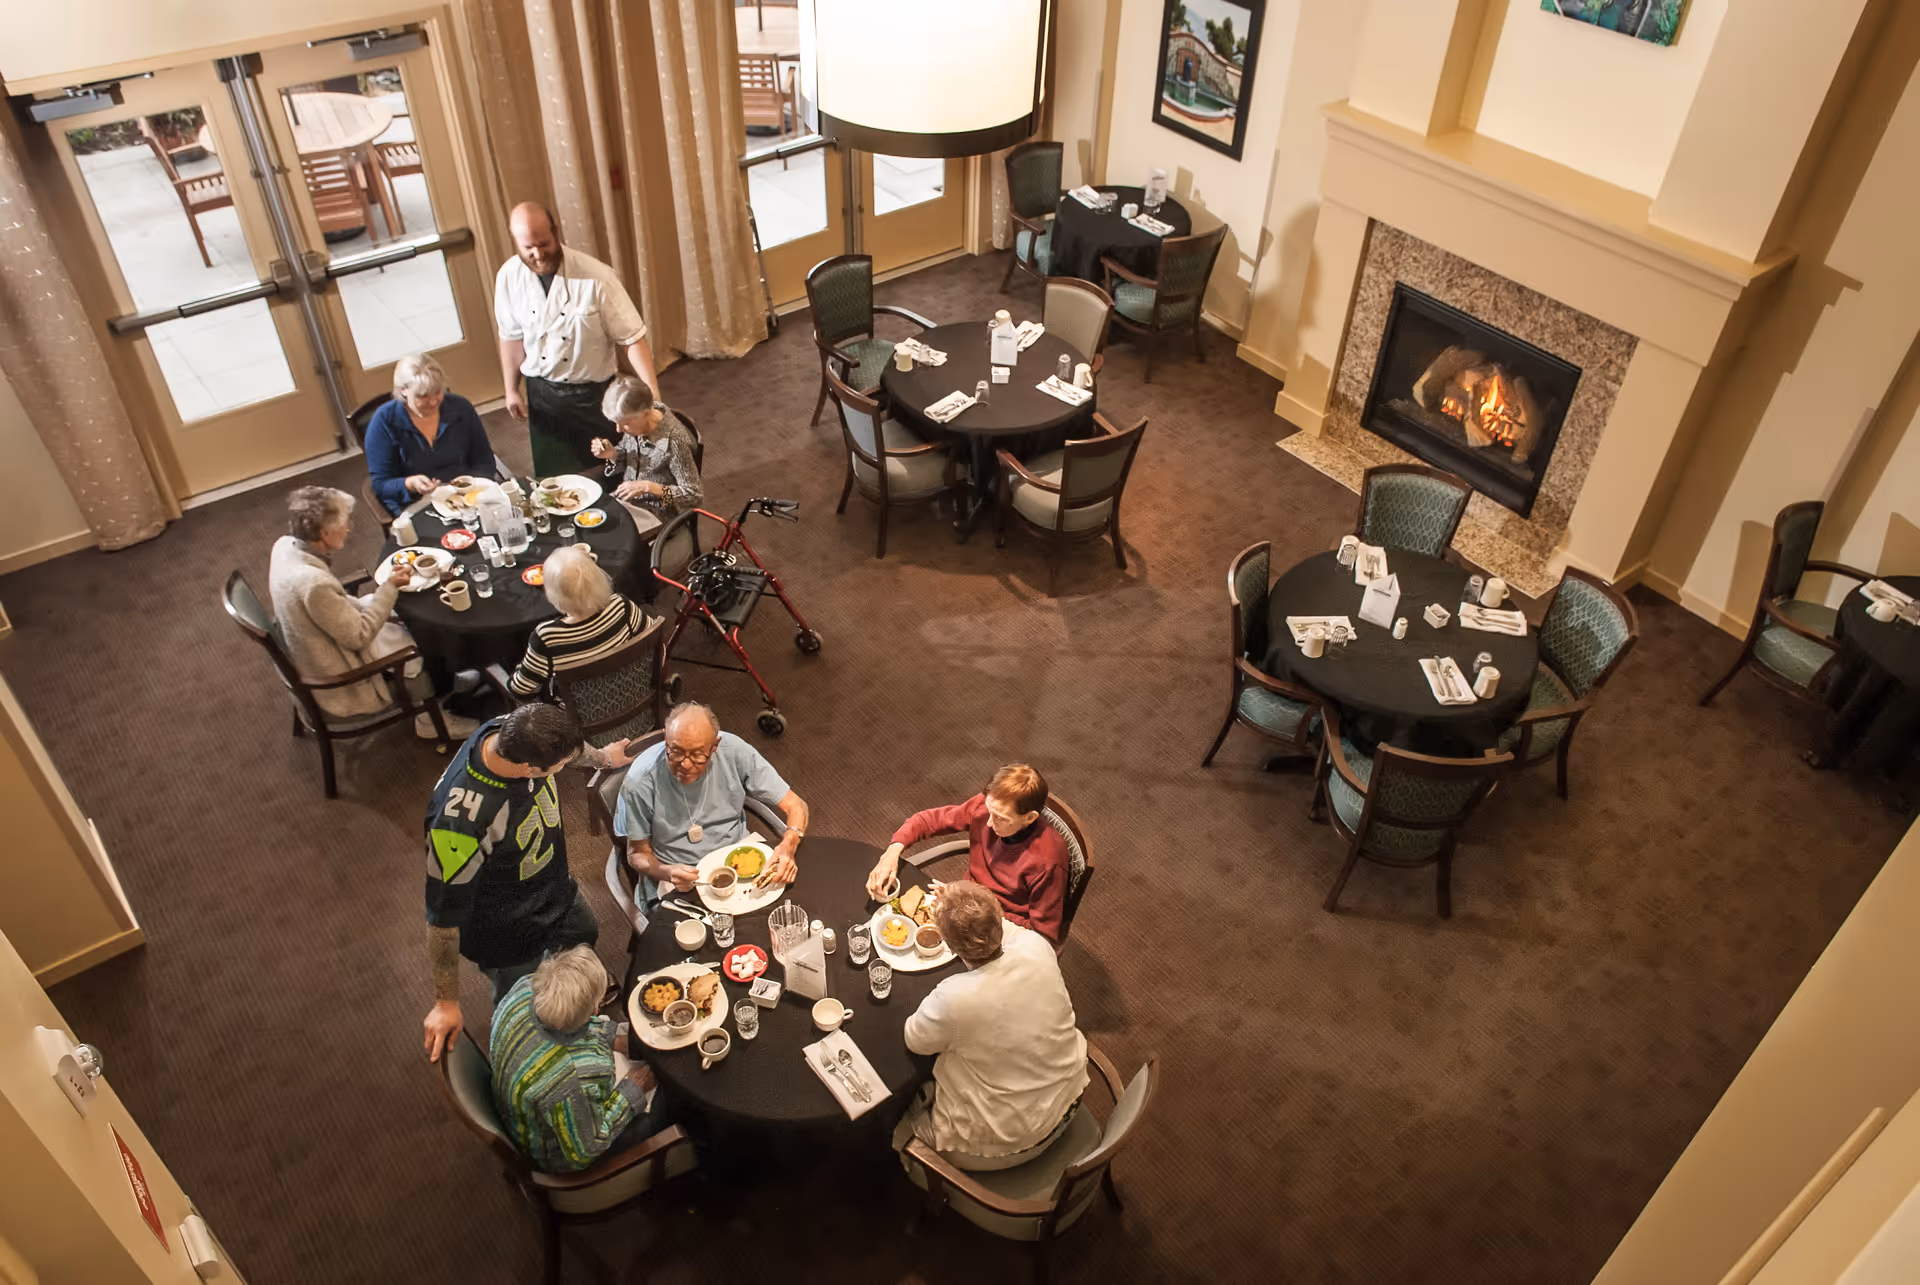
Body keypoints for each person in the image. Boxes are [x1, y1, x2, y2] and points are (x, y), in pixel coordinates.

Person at [422, 702, 641, 1061]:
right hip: (506, 932)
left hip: (556, 890)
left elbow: (568, 750)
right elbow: (442, 920)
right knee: (532, 1013)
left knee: (583, 939)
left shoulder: (513, 728)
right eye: (558, 767)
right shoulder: (459, 824)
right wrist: (445, 1001)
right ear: (528, 769)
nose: (565, 767)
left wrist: (603, 758)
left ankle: (586, 1014)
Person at [895, 883, 1088, 1168]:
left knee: (899, 1130)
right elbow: (1003, 928)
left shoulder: (954, 999)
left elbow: (915, 1038)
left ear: (948, 945)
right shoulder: (1037, 946)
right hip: (1071, 1097)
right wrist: (961, 903)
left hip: (1016, 1140)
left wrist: (953, 911)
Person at [268, 485, 478, 739]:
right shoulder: (314, 585)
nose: (349, 527)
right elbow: (359, 636)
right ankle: (429, 720)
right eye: (345, 522)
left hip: (315, 638)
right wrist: (389, 588)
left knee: (403, 618)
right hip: (336, 671)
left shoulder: (285, 546)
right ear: (324, 533)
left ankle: (445, 685)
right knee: (417, 641)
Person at [495, 202, 660, 477]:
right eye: (528, 248)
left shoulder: (596, 276)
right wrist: (511, 389)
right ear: (516, 242)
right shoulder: (508, 277)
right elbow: (511, 337)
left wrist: (652, 393)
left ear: (555, 231)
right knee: (556, 483)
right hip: (543, 396)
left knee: (610, 474)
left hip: (594, 396)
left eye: (544, 243)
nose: (537, 254)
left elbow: (632, 339)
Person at [490, 944, 665, 1174]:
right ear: (593, 1009)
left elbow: (564, 1021)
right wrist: (633, 1089)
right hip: (556, 1155)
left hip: (522, 1106)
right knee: (663, 1109)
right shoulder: (574, 1079)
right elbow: (587, 1149)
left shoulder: (524, 989)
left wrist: (611, 1038)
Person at [615, 702, 809, 900]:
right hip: (681, 875)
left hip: (736, 858)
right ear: (666, 740)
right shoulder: (639, 783)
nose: (686, 764)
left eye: (698, 755)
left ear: (715, 746)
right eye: (676, 752)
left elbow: (796, 805)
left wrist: (788, 845)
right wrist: (667, 872)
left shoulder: (734, 751)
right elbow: (636, 854)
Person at [865, 764, 1070, 944]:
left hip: (1001, 928)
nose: (988, 823)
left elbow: (1042, 935)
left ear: (1029, 817)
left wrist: (973, 906)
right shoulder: (985, 808)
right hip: (963, 900)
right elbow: (929, 821)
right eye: (989, 810)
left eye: (1000, 818)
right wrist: (891, 853)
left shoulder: (1048, 861)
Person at [507, 545, 661, 698]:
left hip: (581, 719)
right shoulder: (622, 606)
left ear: (553, 597)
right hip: (633, 698)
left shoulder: (546, 638)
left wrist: (522, 667)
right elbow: (650, 640)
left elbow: (521, 690)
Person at [363, 353, 498, 516]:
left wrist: (471, 494)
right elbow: (381, 485)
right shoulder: (384, 421)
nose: (434, 401)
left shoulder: (460, 408)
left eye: (437, 391)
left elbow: (484, 461)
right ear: (403, 390)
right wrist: (409, 483)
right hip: (417, 504)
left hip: (467, 497)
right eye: (423, 396)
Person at [589, 375, 703, 517]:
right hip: (629, 501)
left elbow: (693, 496)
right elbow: (630, 457)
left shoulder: (674, 442)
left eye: (625, 423)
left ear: (646, 414)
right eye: (615, 423)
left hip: (659, 513)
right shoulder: (639, 419)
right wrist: (613, 454)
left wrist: (650, 488)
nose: (618, 430)